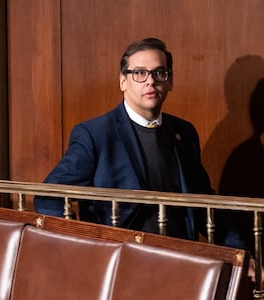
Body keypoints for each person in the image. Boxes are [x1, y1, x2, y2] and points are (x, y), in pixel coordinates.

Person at [34, 37, 242, 245]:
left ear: (170, 82)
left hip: (181, 261)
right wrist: (82, 248)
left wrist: (239, 252)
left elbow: (203, 200)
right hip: (121, 262)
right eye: (140, 73)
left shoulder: (184, 132)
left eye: (159, 73)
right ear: (123, 81)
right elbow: (48, 197)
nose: (151, 81)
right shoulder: (95, 134)